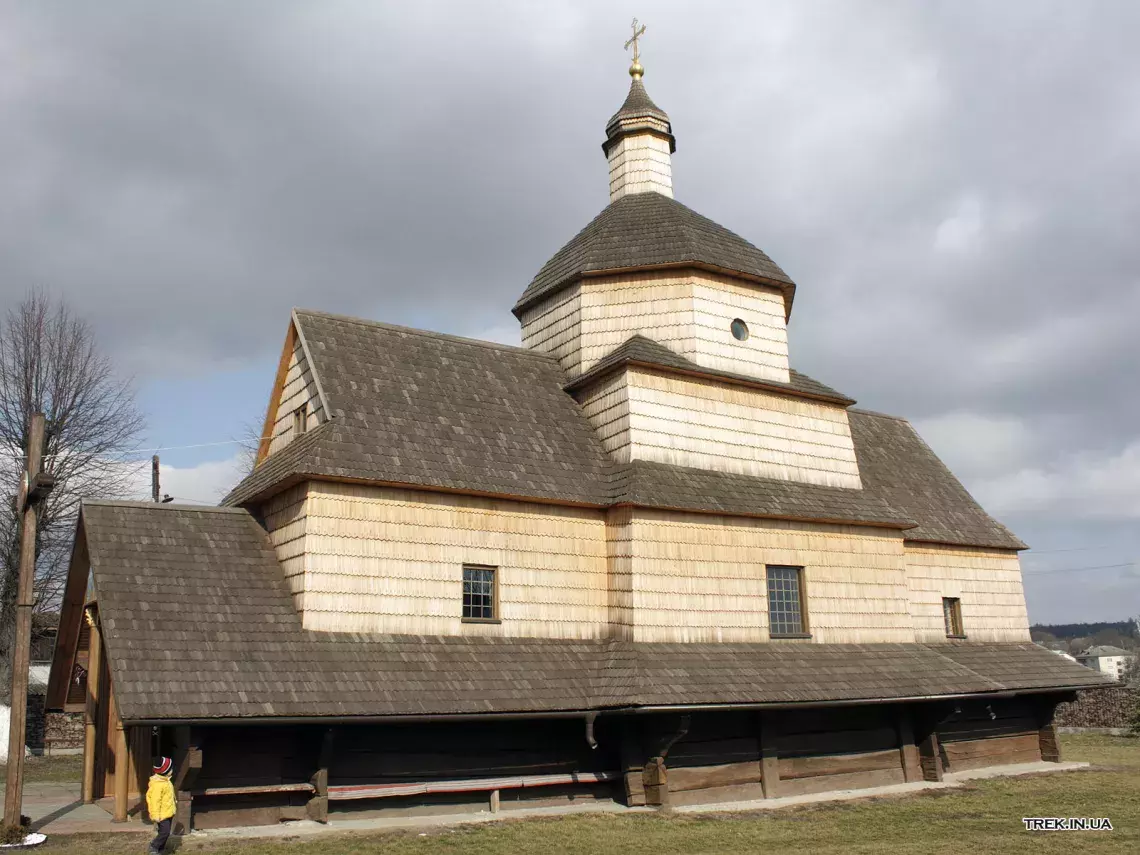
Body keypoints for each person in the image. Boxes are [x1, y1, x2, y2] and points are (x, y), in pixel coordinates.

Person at [146, 756, 176, 854]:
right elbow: (155, 801)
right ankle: (154, 846)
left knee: (165, 833)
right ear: (165, 771)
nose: (172, 769)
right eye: (170, 768)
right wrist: (155, 815)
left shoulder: (166, 781)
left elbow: (169, 794)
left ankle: (160, 849)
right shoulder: (158, 785)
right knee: (165, 832)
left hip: (168, 811)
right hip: (161, 815)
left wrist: (174, 801)